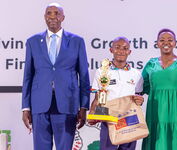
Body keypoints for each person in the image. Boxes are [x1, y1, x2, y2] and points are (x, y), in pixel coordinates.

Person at [21, 3, 90, 150]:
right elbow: (28, 76)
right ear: (44, 17)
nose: (53, 17)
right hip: (39, 104)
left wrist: (83, 107)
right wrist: (25, 107)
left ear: (63, 17)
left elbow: (84, 76)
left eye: (56, 13)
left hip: (67, 104)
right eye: (49, 13)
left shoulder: (77, 41)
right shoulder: (32, 42)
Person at [141, 29, 177, 150]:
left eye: (170, 40)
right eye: (162, 40)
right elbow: (142, 87)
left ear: (175, 43)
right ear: (157, 43)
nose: (166, 43)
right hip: (155, 115)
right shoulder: (151, 64)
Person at [88, 37, 144, 150]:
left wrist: (140, 100)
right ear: (111, 50)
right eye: (117, 47)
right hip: (109, 118)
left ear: (130, 52)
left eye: (125, 48)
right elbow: (98, 97)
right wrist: (92, 113)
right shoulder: (102, 72)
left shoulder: (136, 74)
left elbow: (138, 96)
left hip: (130, 120)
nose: (121, 51)